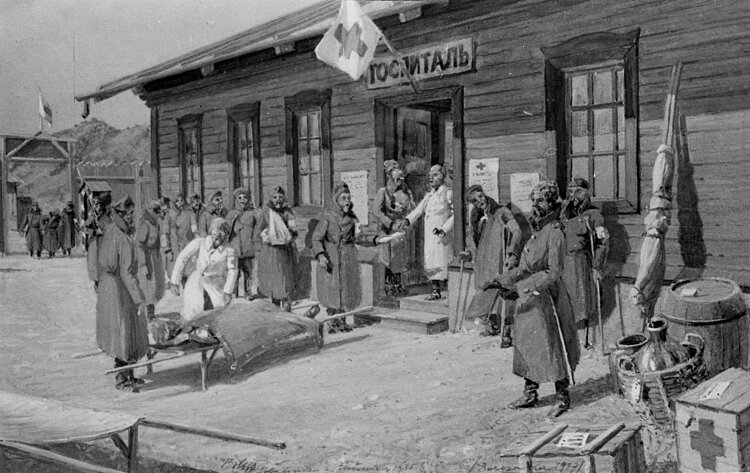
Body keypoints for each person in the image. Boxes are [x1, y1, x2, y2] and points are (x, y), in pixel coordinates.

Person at [485, 180, 579, 418]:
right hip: (529, 299)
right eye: (533, 200)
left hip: (548, 297)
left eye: (540, 200)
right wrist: (501, 279)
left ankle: (562, 395)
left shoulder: (555, 232)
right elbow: (526, 267)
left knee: (551, 345)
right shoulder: (537, 231)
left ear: (551, 202)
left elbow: (552, 273)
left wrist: (521, 289)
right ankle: (530, 392)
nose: (535, 205)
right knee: (527, 344)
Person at [87, 192, 148, 393]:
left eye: (132, 213)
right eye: (128, 214)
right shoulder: (121, 238)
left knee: (124, 333)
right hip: (119, 290)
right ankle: (122, 380)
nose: (131, 217)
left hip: (110, 288)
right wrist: (138, 299)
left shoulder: (112, 232)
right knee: (123, 333)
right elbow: (126, 272)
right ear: (120, 214)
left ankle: (128, 375)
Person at [459, 185, 523, 342]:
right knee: (485, 291)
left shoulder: (501, 212)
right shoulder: (477, 217)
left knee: (503, 292)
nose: (480, 201)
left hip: (499, 259)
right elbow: (474, 239)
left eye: (480, 196)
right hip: (482, 262)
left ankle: (508, 331)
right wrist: (469, 253)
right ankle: (491, 324)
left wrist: (512, 253)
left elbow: (517, 231)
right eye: (475, 200)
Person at [560, 177, 610, 349]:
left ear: (587, 193)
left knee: (584, 301)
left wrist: (597, 266)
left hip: (581, 262)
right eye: (571, 191)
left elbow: (603, 242)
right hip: (564, 262)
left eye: (578, 191)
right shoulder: (564, 215)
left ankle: (586, 338)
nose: (574, 195)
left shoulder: (594, 215)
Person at [312, 182, 361, 333]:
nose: (347, 200)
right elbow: (316, 238)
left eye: (348, 197)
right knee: (332, 290)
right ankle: (332, 322)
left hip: (347, 256)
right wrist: (320, 255)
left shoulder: (351, 217)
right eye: (343, 198)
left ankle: (343, 320)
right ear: (336, 200)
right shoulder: (327, 216)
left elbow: (354, 236)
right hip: (331, 256)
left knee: (346, 289)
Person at [170, 218, 238, 322]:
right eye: (215, 234)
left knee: (217, 313)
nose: (218, 237)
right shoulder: (200, 243)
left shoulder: (229, 251)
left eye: (222, 234)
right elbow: (182, 258)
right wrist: (175, 281)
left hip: (215, 285)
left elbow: (232, 271)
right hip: (196, 282)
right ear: (211, 232)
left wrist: (227, 291)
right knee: (192, 312)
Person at [404, 164, 454, 300]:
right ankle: (435, 290)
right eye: (430, 176)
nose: (431, 178)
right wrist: (407, 221)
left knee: (444, 262)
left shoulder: (448, 193)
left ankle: (450, 291)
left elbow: (455, 214)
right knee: (431, 262)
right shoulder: (429, 195)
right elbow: (418, 210)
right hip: (430, 236)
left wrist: (445, 229)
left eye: (435, 175)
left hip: (442, 235)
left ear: (442, 176)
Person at [371, 160, 414, 296]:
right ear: (390, 177)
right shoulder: (383, 192)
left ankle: (398, 284)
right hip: (387, 229)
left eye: (401, 178)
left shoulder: (405, 193)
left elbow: (411, 209)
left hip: (400, 229)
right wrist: (389, 223)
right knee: (387, 258)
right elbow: (376, 211)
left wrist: (404, 220)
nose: (400, 181)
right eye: (397, 178)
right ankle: (387, 285)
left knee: (399, 258)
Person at [256, 186, 298, 311]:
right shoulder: (266, 213)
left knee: (284, 279)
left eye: (280, 197)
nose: (278, 200)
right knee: (273, 280)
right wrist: (265, 237)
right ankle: (274, 306)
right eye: (275, 197)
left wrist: (287, 236)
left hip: (284, 252)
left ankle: (286, 305)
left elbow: (294, 230)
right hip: (270, 252)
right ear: (271, 199)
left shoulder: (288, 213)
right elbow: (258, 230)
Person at [226, 187, 259, 299]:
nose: (242, 200)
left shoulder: (254, 213)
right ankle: (233, 293)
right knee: (234, 272)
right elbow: (226, 229)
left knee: (248, 272)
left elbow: (258, 229)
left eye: (245, 197)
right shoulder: (231, 214)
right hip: (234, 248)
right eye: (239, 198)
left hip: (248, 248)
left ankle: (248, 292)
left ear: (249, 199)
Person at [136, 200, 165, 321]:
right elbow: (139, 244)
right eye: (155, 211)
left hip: (154, 256)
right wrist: (142, 264)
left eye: (159, 211)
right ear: (149, 211)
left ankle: (151, 310)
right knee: (147, 285)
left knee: (157, 284)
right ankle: (149, 312)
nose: (158, 214)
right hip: (145, 256)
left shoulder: (155, 223)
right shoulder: (145, 224)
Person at [168, 194, 194, 283]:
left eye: (181, 200)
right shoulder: (170, 215)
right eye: (177, 201)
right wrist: (167, 249)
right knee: (175, 270)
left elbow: (194, 228)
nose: (180, 203)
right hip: (174, 246)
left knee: (187, 269)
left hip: (186, 243)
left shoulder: (189, 214)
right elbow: (165, 233)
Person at [158, 196, 173, 278]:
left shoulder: (169, 216)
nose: (166, 207)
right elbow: (163, 233)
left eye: (167, 205)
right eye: (164, 205)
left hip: (168, 242)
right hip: (162, 244)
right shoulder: (159, 217)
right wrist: (167, 248)